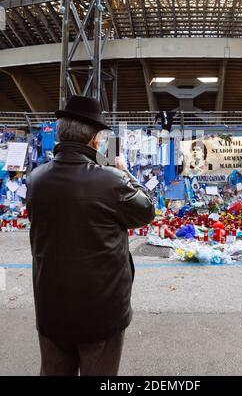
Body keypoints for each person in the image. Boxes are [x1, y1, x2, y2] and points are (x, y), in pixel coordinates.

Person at [26, 95, 155, 376]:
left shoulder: (35, 179)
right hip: (102, 311)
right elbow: (147, 211)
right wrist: (124, 172)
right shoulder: (112, 180)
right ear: (95, 140)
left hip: (50, 306)